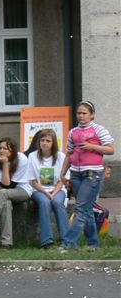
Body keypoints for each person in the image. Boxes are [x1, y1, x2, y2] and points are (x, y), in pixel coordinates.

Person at [60, 101, 115, 252]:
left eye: (84, 113)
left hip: (93, 174)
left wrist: (93, 147)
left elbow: (111, 150)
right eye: (79, 113)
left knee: (80, 208)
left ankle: (68, 244)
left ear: (92, 115)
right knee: (87, 210)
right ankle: (93, 244)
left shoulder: (99, 130)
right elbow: (69, 154)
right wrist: (63, 173)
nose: (81, 116)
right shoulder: (73, 132)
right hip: (76, 175)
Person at [28, 129, 70, 248]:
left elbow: (62, 181)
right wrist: (47, 193)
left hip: (58, 189)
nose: (44, 143)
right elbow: (33, 181)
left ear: (53, 143)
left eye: (48, 141)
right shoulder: (32, 156)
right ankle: (47, 241)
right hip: (39, 190)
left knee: (57, 202)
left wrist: (53, 193)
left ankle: (67, 240)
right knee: (44, 202)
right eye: (42, 140)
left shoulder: (61, 156)